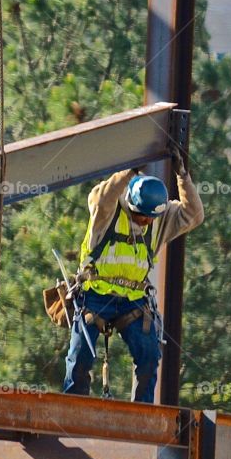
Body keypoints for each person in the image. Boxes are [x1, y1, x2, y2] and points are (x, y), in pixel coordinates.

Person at [62, 156, 204, 403]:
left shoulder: (158, 216)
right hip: (95, 295)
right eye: (142, 217)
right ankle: (72, 406)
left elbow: (194, 214)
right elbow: (103, 195)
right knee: (81, 354)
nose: (147, 222)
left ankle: (142, 413)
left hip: (133, 300)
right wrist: (129, 169)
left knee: (149, 354)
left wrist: (183, 177)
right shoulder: (107, 210)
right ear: (131, 205)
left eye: (151, 217)